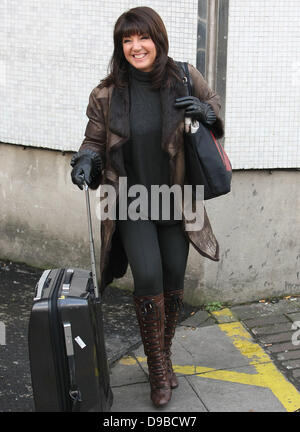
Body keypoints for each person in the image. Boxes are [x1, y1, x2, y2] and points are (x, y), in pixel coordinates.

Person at [70, 6, 224, 408]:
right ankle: (158, 371)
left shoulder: (185, 77)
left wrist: (207, 114)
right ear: (121, 47)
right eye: (127, 40)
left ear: (158, 39)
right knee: (149, 278)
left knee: (174, 281)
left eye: (142, 37)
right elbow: (93, 139)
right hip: (131, 200)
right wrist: (87, 159)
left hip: (178, 199)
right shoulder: (106, 93)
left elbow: (214, 108)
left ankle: (163, 354)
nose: (136, 47)